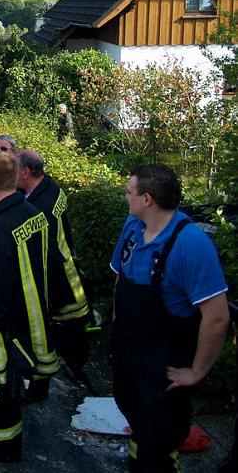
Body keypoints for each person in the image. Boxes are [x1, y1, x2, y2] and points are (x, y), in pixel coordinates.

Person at [111, 164, 229, 472]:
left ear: (147, 199)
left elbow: (217, 318)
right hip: (129, 356)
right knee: (137, 420)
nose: (126, 197)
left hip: (162, 368)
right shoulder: (133, 227)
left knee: (158, 438)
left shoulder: (191, 244)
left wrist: (196, 372)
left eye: (129, 191)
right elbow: (120, 280)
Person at [0, 151, 59, 463]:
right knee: (12, 384)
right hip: (29, 320)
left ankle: (4, 447)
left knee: (0, 386)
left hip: (2, 328)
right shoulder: (32, 213)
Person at [17, 149, 90, 400]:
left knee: (65, 327)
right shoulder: (50, 190)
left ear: (25, 172)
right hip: (64, 271)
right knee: (70, 326)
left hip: (58, 276)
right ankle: (73, 367)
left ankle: (69, 374)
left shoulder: (40, 206)